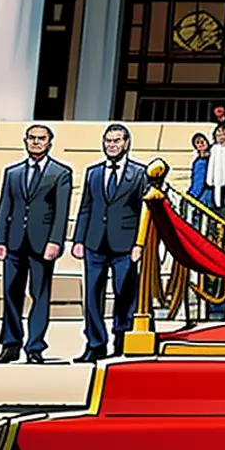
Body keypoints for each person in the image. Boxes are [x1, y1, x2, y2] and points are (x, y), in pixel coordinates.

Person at [0, 124, 72, 364]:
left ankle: (35, 346)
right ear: (25, 141)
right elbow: (5, 206)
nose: (36, 142)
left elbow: (61, 211)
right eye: (32, 138)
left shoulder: (60, 172)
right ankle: (10, 344)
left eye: (41, 138)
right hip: (14, 242)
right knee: (11, 293)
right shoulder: (13, 172)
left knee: (39, 294)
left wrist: (56, 241)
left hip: (42, 243)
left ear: (50, 142)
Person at [72, 124, 146, 363]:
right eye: (108, 141)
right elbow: (85, 207)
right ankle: (95, 343)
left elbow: (143, 211)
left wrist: (139, 243)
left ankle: (122, 337)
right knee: (92, 294)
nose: (111, 145)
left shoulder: (139, 173)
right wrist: (78, 239)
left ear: (126, 143)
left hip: (125, 245)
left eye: (116, 141)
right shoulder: (93, 172)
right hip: (95, 242)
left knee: (124, 293)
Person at [187, 132, 214, 210]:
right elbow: (197, 181)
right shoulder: (198, 162)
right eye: (197, 143)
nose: (201, 144)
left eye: (202, 141)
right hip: (201, 195)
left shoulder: (213, 157)